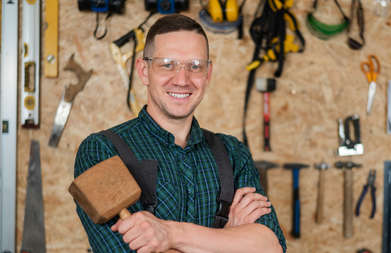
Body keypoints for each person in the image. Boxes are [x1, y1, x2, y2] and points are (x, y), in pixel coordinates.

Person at [74, 14, 286, 253]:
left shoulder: (233, 153)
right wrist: (228, 238)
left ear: (208, 74)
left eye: (195, 66)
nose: (182, 80)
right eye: (167, 64)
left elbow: (271, 246)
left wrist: (171, 235)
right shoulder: (102, 150)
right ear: (144, 71)